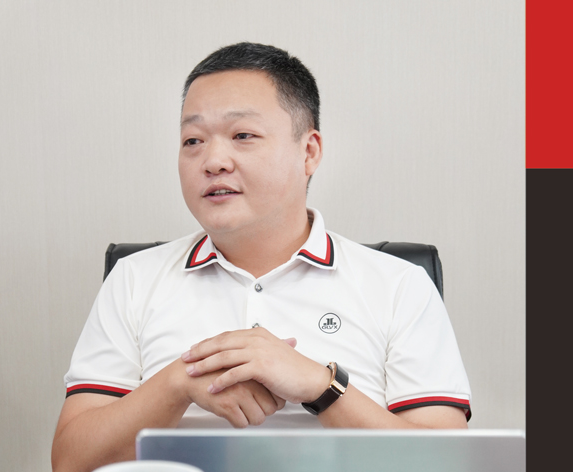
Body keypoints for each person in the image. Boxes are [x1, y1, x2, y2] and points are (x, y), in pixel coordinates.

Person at [51, 42, 471, 472]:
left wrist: (319, 386)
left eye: (243, 136)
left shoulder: (399, 286)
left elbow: (446, 464)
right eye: (193, 140)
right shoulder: (134, 280)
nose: (213, 161)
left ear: (309, 152)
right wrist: (177, 383)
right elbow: (70, 461)